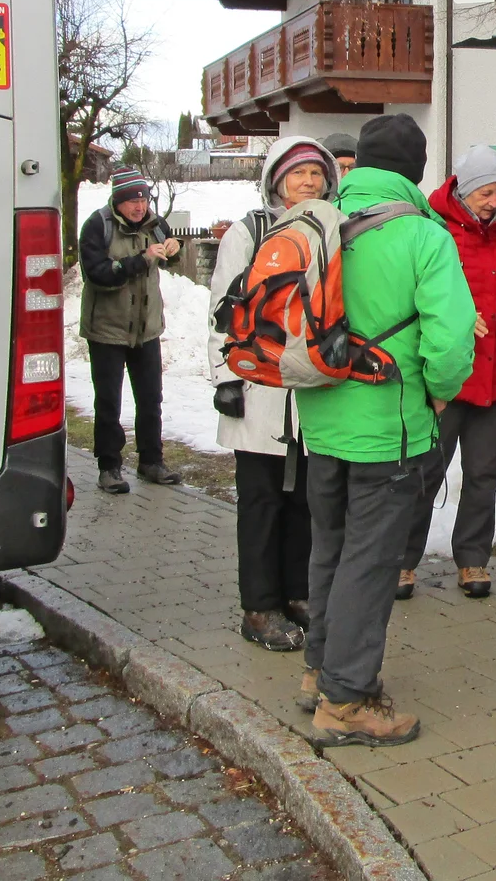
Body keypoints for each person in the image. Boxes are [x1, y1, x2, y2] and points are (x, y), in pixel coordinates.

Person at [298, 113, 476, 746]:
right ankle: (347, 702)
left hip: (319, 421)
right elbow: (452, 346)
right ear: (416, 170)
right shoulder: (425, 237)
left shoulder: (320, 223)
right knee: (371, 563)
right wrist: (436, 395)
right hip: (388, 428)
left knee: (330, 548)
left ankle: (319, 671)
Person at [207, 136, 339, 653]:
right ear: (277, 178)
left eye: (316, 175)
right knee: (262, 501)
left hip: (310, 391)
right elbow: (223, 307)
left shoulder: (332, 230)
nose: (308, 184)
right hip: (259, 389)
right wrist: (224, 377)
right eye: (298, 174)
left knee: (307, 500)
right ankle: (258, 606)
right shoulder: (249, 232)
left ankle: (298, 593)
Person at [400, 144, 496, 601]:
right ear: (464, 190)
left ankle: (472, 560)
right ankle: (402, 563)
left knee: (485, 473)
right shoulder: (432, 227)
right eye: (486, 191)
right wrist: (456, 318)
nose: (493, 200)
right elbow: (411, 295)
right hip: (446, 374)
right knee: (425, 471)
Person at [79, 169, 182, 491]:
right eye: (132, 201)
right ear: (118, 202)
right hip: (107, 330)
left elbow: (166, 260)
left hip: (147, 329)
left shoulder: (155, 223)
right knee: (109, 401)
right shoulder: (98, 226)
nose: (140, 206)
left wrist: (173, 251)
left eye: (144, 199)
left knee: (151, 399)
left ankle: (151, 461)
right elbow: (98, 275)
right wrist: (141, 259)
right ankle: (109, 467)